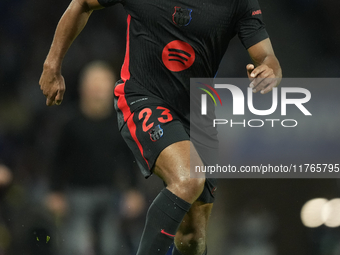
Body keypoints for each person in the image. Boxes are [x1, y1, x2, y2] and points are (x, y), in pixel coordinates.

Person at [39, 0, 282, 254]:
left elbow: (267, 57)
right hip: (143, 97)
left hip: (199, 113)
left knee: (192, 237)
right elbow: (81, 3)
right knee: (189, 178)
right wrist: (52, 64)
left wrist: (269, 72)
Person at [45, 61, 143, 255]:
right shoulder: (70, 123)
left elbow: (130, 159)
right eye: (94, 84)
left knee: (111, 246)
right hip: (77, 195)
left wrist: (133, 190)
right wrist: (55, 191)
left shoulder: (120, 123)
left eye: (103, 84)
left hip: (111, 194)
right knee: (76, 247)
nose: (98, 90)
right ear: (83, 88)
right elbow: (56, 159)